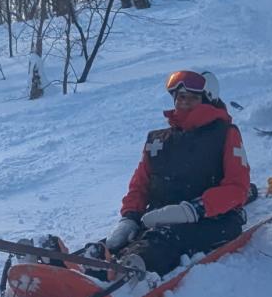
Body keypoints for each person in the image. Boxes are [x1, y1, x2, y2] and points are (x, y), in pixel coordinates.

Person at [85, 69, 252, 279]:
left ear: (208, 100)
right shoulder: (158, 140)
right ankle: (84, 261)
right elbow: (140, 184)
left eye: (192, 98)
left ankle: (126, 271)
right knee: (118, 241)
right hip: (158, 216)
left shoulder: (225, 134)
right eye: (181, 97)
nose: (184, 102)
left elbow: (238, 188)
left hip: (213, 219)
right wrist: (129, 217)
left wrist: (194, 209)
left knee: (165, 238)